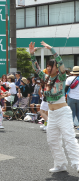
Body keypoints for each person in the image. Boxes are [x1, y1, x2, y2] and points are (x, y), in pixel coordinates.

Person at [30, 41, 79, 173]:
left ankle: (77, 164)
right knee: (52, 140)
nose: (49, 68)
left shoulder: (61, 77)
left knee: (69, 138)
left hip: (63, 112)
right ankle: (60, 164)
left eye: (52, 66)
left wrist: (52, 50)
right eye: (48, 66)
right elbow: (36, 69)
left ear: (57, 68)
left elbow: (61, 62)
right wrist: (32, 55)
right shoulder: (46, 78)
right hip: (52, 115)